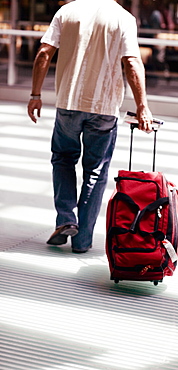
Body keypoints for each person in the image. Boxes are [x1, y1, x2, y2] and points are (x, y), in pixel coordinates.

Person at [27, 0, 153, 253]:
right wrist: (142, 106)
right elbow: (132, 63)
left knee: (63, 159)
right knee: (95, 171)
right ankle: (82, 241)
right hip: (104, 107)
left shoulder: (67, 11)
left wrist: (35, 94)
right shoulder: (123, 18)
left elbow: (44, 53)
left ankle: (66, 218)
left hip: (69, 103)